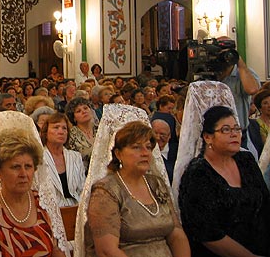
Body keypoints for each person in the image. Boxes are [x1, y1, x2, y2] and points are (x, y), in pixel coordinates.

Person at [74, 104, 186, 257]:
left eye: (148, 147)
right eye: (136, 147)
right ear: (118, 153)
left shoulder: (156, 184)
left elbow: (177, 235)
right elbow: (107, 251)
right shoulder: (106, 191)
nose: (145, 153)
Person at [0, 110, 71, 256]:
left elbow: (58, 250)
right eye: (15, 167)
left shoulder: (43, 203)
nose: (24, 174)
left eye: (28, 167)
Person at [179, 106, 270, 256]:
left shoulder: (246, 161)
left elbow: (265, 204)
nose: (234, 134)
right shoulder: (198, 174)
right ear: (207, 137)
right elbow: (206, 232)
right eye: (226, 130)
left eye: (237, 129)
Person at [40, 112, 85, 206]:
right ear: (46, 133)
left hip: (75, 209)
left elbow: (82, 189)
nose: (61, 131)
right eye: (56, 127)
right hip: (49, 212)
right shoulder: (38, 158)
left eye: (64, 128)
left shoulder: (75, 157)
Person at [66, 98, 98, 172]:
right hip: (83, 174)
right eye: (78, 111)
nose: (84, 111)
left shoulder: (101, 129)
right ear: (74, 118)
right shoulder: (71, 135)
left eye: (85, 108)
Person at [249, 88, 270, 156]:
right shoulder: (255, 124)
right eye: (265, 103)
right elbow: (265, 146)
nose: (269, 106)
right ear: (260, 107)